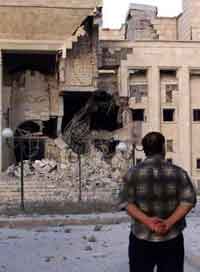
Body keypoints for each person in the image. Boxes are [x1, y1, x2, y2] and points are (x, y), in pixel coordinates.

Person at [120, 132, 197, 272]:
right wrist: (168, 223)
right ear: (163, 148)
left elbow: (126, 202)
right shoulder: (179, 173)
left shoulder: (132, 173)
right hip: (171, 238)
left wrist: (148, 222)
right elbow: (188, 201)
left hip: (141, 237)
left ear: (144, 150)